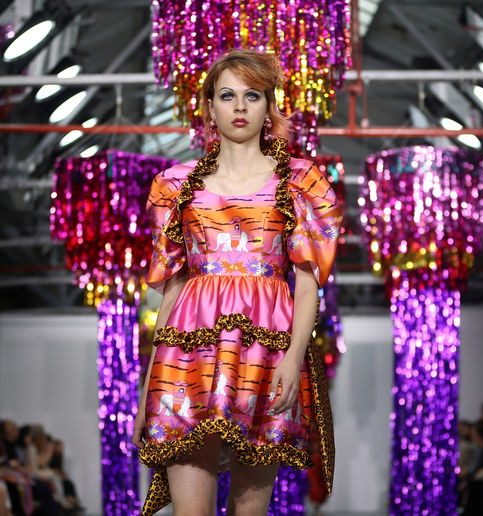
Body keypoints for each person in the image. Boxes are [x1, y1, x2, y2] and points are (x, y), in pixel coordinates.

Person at [132, 49, 341, 515]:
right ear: (209, 107)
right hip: (184, 357)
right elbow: (172, 289)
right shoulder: (176, 186)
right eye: (228, 95)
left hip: (265, 357)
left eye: (253, 95)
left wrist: (293, 358)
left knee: (250, 510)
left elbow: (308, 285)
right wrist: (150, 381)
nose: (240, 106)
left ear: (269, 106)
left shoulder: (299, 183)